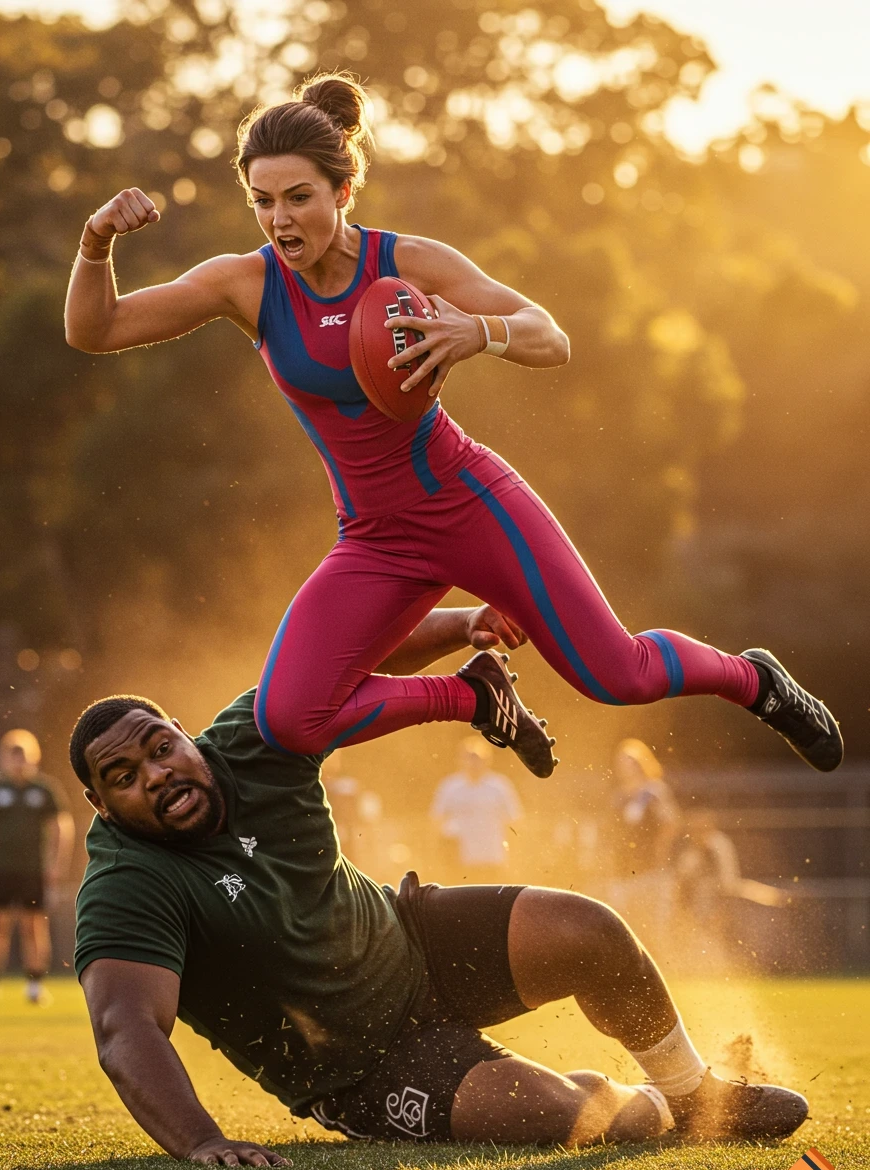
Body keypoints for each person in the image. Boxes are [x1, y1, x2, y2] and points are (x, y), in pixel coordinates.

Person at [63, 71, 842, 777]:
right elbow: (94, 332)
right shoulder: (244, 285)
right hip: (374, 535)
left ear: (342, 192)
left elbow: (551, 335)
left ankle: (756, 680)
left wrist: (480, 332)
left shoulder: (411, 262)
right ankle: (474, 697)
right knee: (291, 718)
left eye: (298, 197)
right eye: (263, 201)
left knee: (619, 676)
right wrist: (96, 241)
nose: (279, 219)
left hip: (471, 501)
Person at [69, 606, 808, 1167]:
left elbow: (343, 653)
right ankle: (642, 1103)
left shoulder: (252, 739)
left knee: (589, 930)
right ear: (103, 808)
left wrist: (465, 622)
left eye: (161, 747)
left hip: (409, 939)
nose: (158, 774)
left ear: (183, 733)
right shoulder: (126, 884)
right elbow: (126, 1029)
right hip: (357, 1066)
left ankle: (696, 1095)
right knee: (562, 1118)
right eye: (125, 778)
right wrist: (201, 1140)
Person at [0, 730, 74, 1005]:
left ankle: (34, 986)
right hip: (1, 869)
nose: (19, 761)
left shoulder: (44, 790)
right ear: (4, 758)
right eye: (13, 755)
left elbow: (60, 828)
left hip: (33, 870)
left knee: (33, 927)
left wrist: (55, 865)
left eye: (24, 755)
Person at [606, 739, 682, 947]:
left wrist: (661, 853)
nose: (624, 768)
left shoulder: (654, 792)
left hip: (652, 871)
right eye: (620, 763)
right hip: (623, 871)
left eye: (629, 762)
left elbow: (670, 824)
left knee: (654, 927)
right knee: (625, 926)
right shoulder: (619, 797)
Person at [431, 737, 522, 883]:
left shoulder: (500, 786)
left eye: (477, 758)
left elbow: (514, 821)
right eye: (469, 758)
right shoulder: (449, 787)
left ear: (487, 760)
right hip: (459, 859)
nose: (473, 764)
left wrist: (513, 854)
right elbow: (437, 819)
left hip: (492, 856)